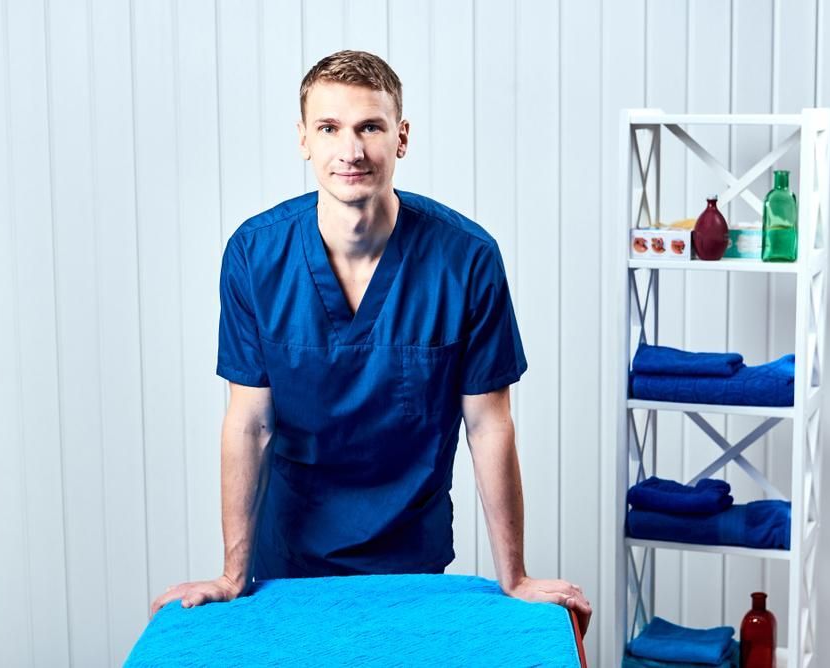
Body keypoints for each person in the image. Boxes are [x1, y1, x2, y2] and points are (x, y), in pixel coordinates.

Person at [150, 50, 592, 635]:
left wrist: (516, 576)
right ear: (303, 138)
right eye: (330, 128)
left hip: (414, 564)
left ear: (401, 137)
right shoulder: (255, 256)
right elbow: (249, 422)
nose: (350, 150)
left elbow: (488, 425)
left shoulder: (467, 259)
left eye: (370, 127)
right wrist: (232, 575)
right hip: (287, 565)